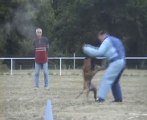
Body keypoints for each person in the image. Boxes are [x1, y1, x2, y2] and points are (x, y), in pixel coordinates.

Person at [83, 30, 126, 102]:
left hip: (116, 62)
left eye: (100, 39)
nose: (101, 41)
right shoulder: (116, 40)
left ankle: (101, 99)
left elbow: (98, 52)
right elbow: (109, 53)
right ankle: (118, 99)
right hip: (123, 62)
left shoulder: (107, 40)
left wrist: (86, 48)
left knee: (106, 79)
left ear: (103, 35)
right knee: (115, 81)